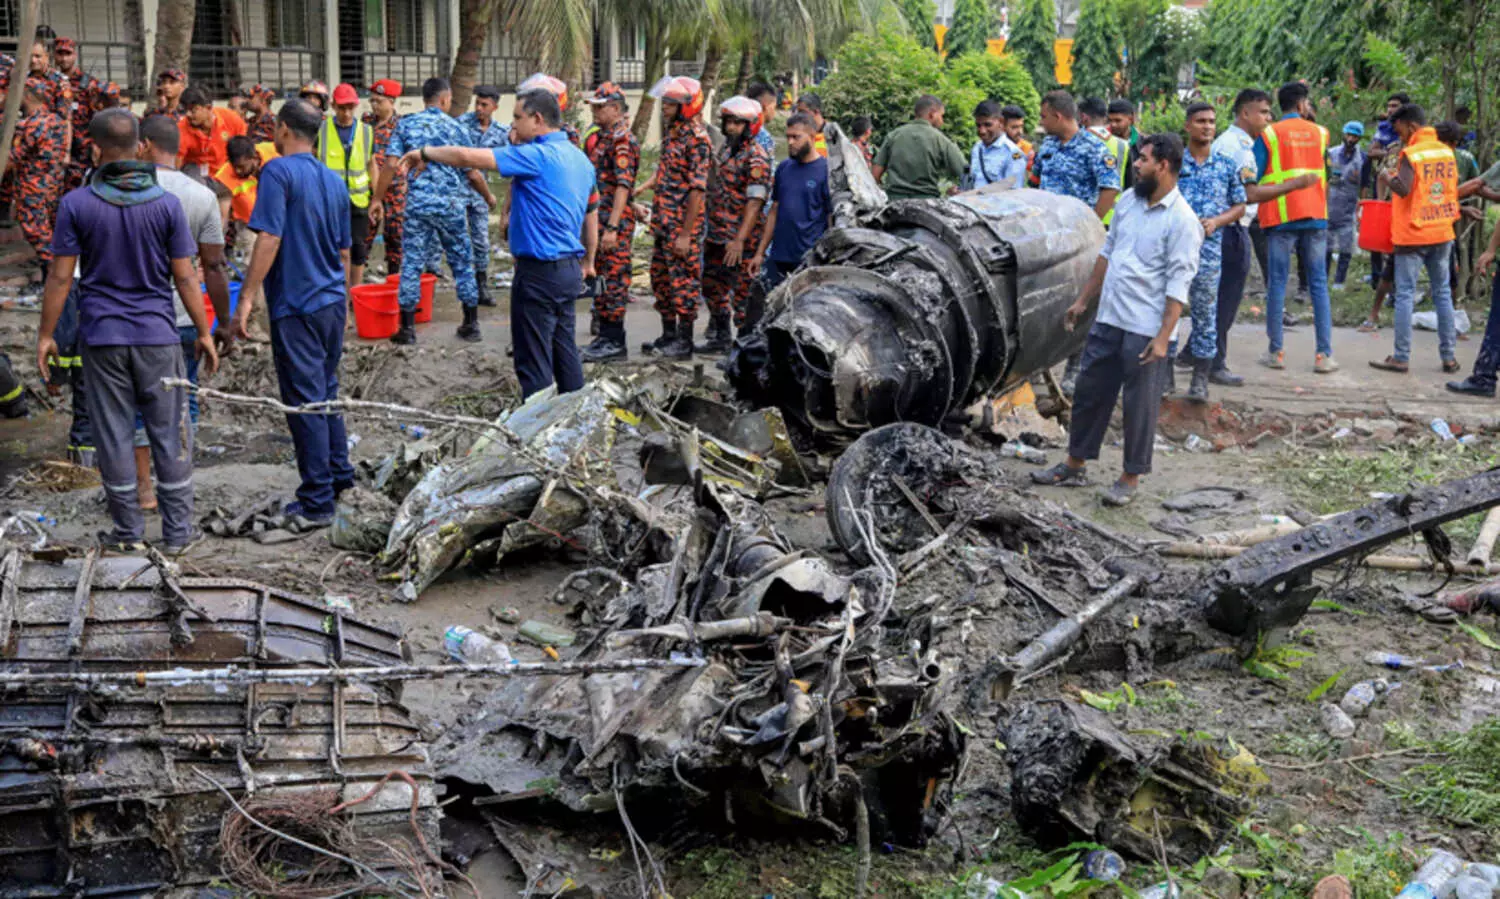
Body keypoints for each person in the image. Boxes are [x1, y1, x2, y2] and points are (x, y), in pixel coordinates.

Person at [36, 108, 218, 553]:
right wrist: (205, 331)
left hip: (102, 338)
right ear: (139, 147)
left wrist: (46, 335)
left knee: (115, 432)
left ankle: (128, 533)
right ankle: (176, 535)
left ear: (95, 150)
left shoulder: (75, 204)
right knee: (168, 428)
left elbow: (61, 278)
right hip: (157, 335)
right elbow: (186, 277)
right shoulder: (166, 205)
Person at [1030, 134, 1201, 508]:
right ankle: (1074, 465)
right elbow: (1106, 255)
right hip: (1109, 319)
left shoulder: (1183, 221)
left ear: (1164, 166)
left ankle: (1130, 478)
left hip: (1146, 328)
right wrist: (1082, 301)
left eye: (1142, 159)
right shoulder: (1128, 202)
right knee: (1090, 394)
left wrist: (1163, 338)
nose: (1136, 165)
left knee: (1139, 406)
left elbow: (1178, 285)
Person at [397, 88, 597, 399]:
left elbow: (466, 157)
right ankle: (575, 420)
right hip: (568, 269)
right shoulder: (579, 158)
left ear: (538, 119)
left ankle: (536, 431)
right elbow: (589, 212)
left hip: (539, 274)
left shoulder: (538, 155)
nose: (513, 126)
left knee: (533, 361)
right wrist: (589, 260)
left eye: (518, 118)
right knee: (564, 350)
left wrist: (423, 153)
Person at [232, 99, 355, 529]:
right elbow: (344, 251)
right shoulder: (333, 180)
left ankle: (317, 498)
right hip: (330, 302)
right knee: (326, 390)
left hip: (297, 303)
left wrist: (247, 297)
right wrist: (342, 298)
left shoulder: (278, 172)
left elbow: (269, 237)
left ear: (283, 130)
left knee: (305, 401)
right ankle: (340, 478)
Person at [135, 114, 233, 507]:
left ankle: (144, 490)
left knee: (139, 402)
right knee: (185, 397)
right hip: (185, 317)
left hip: (139, 319)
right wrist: (222, 323)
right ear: (178, 150)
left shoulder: (127, 190)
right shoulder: (203, 196)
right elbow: (213, 265)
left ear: (143, 145)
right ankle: (178, 480)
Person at [371, 77, 485, 344]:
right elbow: (473, 173)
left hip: (418, 205)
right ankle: (471, 323)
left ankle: (407, 328)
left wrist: (378, 199)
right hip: (451, 206)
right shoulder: (457, 128)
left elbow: (389, 166)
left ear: (425, 99)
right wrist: (489, 198)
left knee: (411, 262)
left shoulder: (406, 125)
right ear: (445, 99)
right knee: (461, 261)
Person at [1253, 81, 1337, 373]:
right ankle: (1324, 356)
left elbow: (1256, 172)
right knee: (1318, 285)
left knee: (1277, 283)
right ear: (1302, 105)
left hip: (1280, 216)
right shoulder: (1321, 133)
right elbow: (1326, 171)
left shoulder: (1269, 134)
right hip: (1315, 215)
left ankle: (1276, 352)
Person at [1369, 104, 1459, 375]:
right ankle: (1449, 358)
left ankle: (1401, 357)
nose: (1400, 138)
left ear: (1411, 127)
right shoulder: (1446, 151)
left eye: (1400, 131)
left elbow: (1403, 188)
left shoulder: (1413, 153)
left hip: (1413, 235)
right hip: (1442, 230)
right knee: (1442, 293)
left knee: (1405, 293)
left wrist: (1386, 175)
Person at [1173, 102, 1247, 404]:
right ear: (1188, 125)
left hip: (1209, 250)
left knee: (1206, 312)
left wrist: (1217, 221)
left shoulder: (1226, 164)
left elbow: (1240, 205)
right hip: (1174, 250)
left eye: (1212, 122)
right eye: (1200, 121)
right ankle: (1164, 376)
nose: (1207, 126)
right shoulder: (1175, 163)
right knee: (1170, 310)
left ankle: (1200, 378)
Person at [638, 76, 711, 359]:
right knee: (662, 279)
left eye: (670, 103)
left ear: (687, 106)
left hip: (682, 226)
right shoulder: (673, 133)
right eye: (665, 102)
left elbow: (697, 191)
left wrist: (685, 233)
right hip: (663, 223)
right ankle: (668, 335)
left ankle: (684, 341)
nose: (664, 107)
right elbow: (667, 172)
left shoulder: (697, 140)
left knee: (684, 283)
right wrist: (643, 187)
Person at [1207, 88, 1272, 387]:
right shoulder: (1239, 147)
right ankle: (1213, 362)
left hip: (1223, 226)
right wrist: (1296, 185)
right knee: (1226, 298)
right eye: (1263, 112)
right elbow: (1249, 193)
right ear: (1245, 113)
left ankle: (1194, 353)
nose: (1268, 119)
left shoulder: (1229, 142)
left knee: (1215, 294)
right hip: (1231, 228)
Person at [700, 95, 773, 353]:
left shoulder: (756, 157)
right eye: (728, 121)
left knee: (742, 293)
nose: (730, 127)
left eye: (737, 123)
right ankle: (720, 336)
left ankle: (744, 348)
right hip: (718, 234)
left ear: (750, 125)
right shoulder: (728, 150)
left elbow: (755, 203)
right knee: (711, 283)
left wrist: (739, 240)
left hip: (741, 239)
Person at [578, 82, 640, 363]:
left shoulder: (622, 140)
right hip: (599, 222)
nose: (595, 111)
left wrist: (613, 227)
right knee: (601, 279)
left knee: (614, 280)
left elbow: (623, 186)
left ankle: (615, 342)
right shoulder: (603, 137)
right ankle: (604, 335)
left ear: (615, 109)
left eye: (600, 106)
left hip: (612, 225)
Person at [748, 113, 831, 295]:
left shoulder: (826, 171)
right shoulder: (784, 168)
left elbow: (830, 218)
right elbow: (774, 210)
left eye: (796, 137)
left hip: (808, 260)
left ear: (812, 136)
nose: (791, 142)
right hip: (779, 256)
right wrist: (760, 253)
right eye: (788, 137)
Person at [316, 83, 378, 287]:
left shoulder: (366, 131)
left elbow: (372, 165)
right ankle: (336, 290)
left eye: (351, 107)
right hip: (329, 200)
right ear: (333, 106)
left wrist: (376, 198)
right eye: (342, 108)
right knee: (332, 247)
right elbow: (313, 161)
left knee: (358, 248)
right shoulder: (321, 130)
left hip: (358, 200)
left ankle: (355, 292)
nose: (346, 112)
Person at [456, 84, 510, 307]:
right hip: (458, 192)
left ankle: (481, 287)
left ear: (495, 107)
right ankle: (464, 288)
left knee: (481, 241)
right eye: (477, 103)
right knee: (458, 241)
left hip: (479, 195)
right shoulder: (461, 125)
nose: (479, 108)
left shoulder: (501, 132)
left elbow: (510, 159)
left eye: (484, 105)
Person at [1029, 91, 1120, 221]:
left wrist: (1091, 223)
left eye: (1044, 117)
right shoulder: (1048, 144)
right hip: (1046, 225)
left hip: (1075, 228)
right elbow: (1035, 180)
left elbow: (1111, 188)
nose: (1041, 122)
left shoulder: (1093, 147)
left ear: (1057, 116)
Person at [10, 83, 70, 281]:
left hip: (32, 189)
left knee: (38, 235)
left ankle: (55, 282)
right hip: (53, 186)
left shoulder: (29, 125)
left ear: (26, 96)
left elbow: (12, 158)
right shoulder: (57, 121)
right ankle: (52, 279)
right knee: (50, 234)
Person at [53, 37, 119, 192]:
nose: (64, 58)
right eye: (60, 54)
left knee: (82, 189)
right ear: (54, 56)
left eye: (67, 54)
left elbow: (102, 109)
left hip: (82, 148)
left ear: (74, 55)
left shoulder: (88, 83)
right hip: (57, 144)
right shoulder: (52, 81)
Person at [871, 95, 966, 200]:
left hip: (894, 203)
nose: (942, 121)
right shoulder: (941, 140)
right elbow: (965, 172)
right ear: (932, 114)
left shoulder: (893, 135)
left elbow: (875, 175)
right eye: (941, 115)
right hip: (927, 203)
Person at [363, 79, 405, 278]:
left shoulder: (402, 125)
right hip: (368, 187)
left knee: (395, 237)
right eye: (372, 101)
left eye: (379, 101)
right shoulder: (365, 123)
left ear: (391, 101)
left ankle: (394, 282)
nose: (374, 105)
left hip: (395, 190)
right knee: (363, 237)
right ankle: (356, 282)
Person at [177, 87, 247, 180]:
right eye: (186, 110)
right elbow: (176, 165)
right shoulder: (181, 128)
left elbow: (243, 151)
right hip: (196, 176)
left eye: (193, 110)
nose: (188, 114)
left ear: (208, 108)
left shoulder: (231, 119)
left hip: (226, 172)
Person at [212, 136, 263, 256]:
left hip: (273, 219)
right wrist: (215, 246)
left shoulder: (270, 153)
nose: (238, 171)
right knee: (249, 261)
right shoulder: (224, 178)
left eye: (242, 166)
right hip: (248, 226)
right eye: (235, 166)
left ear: (254, 158)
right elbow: (222, 217)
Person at [968, 99, 1027, 190]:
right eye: (978, 125)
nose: (982, 131)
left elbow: (1014, 194)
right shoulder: (977, 148)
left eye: (988, 125)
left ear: (1001, 122)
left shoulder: (1013, 153)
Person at [1081, 96, 1132, 195]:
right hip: (1116, 208)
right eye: (1111, 120)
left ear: (1083, 118)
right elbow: (1129, 184)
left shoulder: (1075, 142)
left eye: (1118, 121)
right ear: (1105, 118)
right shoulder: (1123, 145)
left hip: (1084, 207)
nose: (1113, 125)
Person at [747, 81, 779, 158]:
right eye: (774, 107)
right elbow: (768, 167)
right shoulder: (764, 137)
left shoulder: (740, 127)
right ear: (766, 107)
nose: (774, 111)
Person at [794, 92, 828, 157]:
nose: (799, 116)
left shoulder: (832, 135)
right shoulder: (799, 134)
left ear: (816, 111)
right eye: (798, 112)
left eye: (802, 112)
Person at [1002, 105, 1033, 170]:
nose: (1020, 132)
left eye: (1021, 126)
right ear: (1002, 127)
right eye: (1014, 127)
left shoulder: (1026, 148)